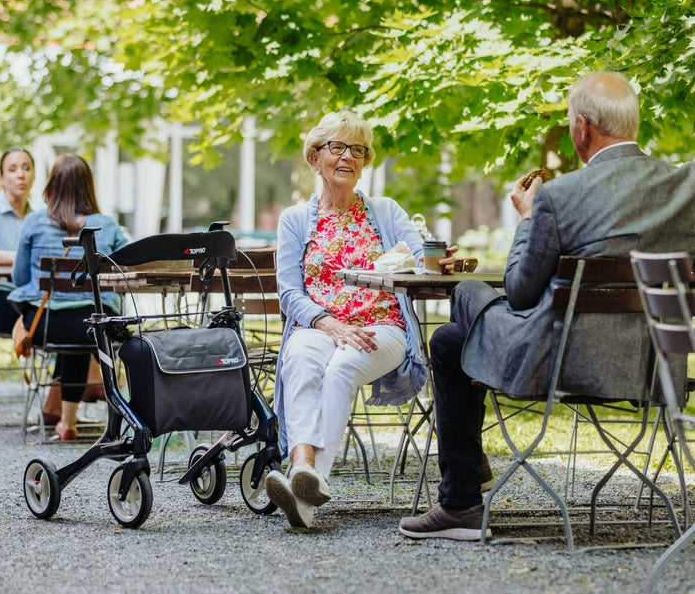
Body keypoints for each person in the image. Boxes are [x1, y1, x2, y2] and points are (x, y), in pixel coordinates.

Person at [398, 71, 695, 541]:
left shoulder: (560, 195)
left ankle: (462, 501)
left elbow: (518, 291)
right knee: (466, 314)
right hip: (651, 367)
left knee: (455, 326)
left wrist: (529, 216)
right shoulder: (686, 188)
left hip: (561, 365)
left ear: (581, 127)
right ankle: (467, 481)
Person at [265, 110, 453, 529]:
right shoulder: (295, 220)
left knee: (341, 369)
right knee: (300, 360)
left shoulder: (385, 212)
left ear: (365, 160)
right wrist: (327, 322)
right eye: (337, 147)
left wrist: (441, 261)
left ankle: (308, 481)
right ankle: (304, 477)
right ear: (315, 158)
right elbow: (290, 293)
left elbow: (421, 261)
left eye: (358, 149)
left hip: (380, 327)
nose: (348, 157)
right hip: (320, 324)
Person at [9, 154, 127, 441]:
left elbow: (20, 277)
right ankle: (69, 421)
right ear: (88, 186)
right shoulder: (108, 225)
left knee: (70, 325)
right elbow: (125, 271)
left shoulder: (34, 222)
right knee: (83, 323)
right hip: (93, 329)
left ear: (52, 184)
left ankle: (65, 422)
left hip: (45, 326)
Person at [0, 147, 36, 333]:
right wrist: (22, 257)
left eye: (27, 168)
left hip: (34, 294)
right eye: (12, 170)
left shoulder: (40, 216)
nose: (21, 175)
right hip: (1, 293)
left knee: (80, 317)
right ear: (2, 178)